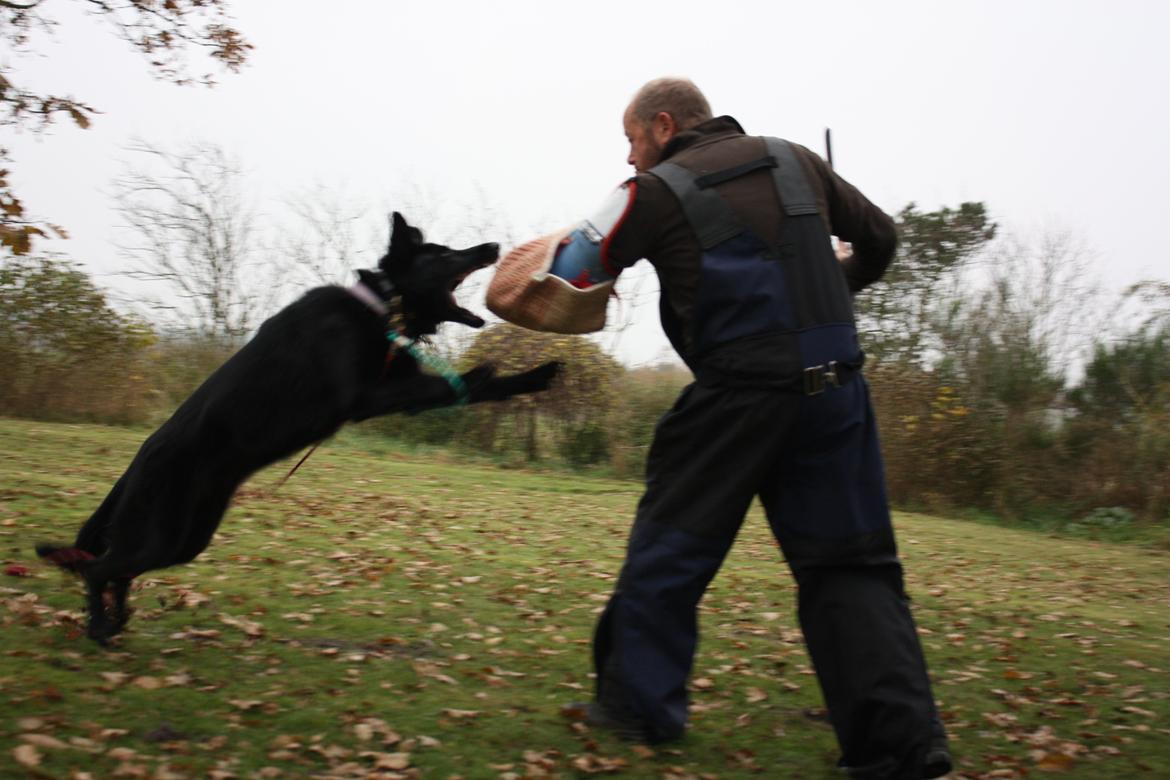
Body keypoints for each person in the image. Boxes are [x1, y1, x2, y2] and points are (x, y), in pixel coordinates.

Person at [491, 77, 951, 780]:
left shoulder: (649, 193)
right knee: (851, 568)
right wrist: (830, 280)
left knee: (670, 548)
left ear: (664, 126)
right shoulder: (798, 160)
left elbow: (563, 276)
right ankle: (901, 749)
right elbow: (882, 240)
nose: (629, 157)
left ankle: (638, 709)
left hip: (737, 397)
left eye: (631, 140)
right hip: (835, 393)